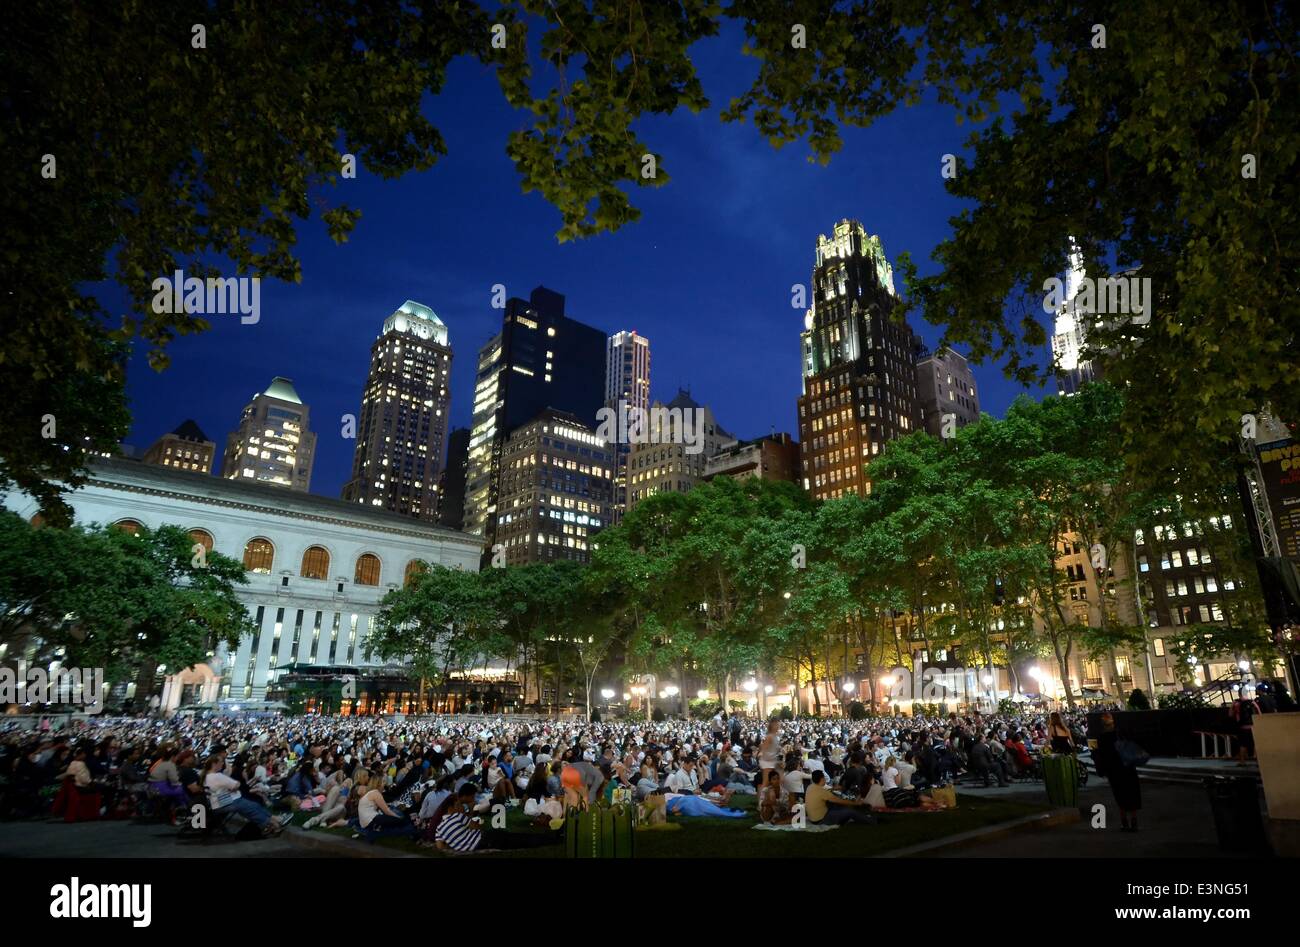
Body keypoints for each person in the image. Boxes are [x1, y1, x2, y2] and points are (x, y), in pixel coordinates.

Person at [203, 753, 287, 836]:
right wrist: (233, 785)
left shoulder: (207, 776)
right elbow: (236, 785)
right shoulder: (217, 776)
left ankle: (274, 819)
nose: (223, 763)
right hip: (223, 802)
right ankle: (272, 824)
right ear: (214, 764)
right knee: (249, 807)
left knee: (253, 805)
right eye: (221, 762)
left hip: (218, 802)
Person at [1092, 712, 1142, 832]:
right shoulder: (1121, 733)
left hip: (1113, 769)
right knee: (1131, 793)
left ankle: (1124, 821)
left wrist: (1102, 769)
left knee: (1120, 794)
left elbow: (1102, 756)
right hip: (1127, 766)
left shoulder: (1102, 738)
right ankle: (1134, 820)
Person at [804, 770, 875, 825]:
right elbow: (839, 800)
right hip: (821, 819)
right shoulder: (821, 791)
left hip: (813, 818)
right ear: (822, 779)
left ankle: (860, 815)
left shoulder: (810, 787)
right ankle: (871, 821)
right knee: (849, 811)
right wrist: (856, 803)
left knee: (837, 806)